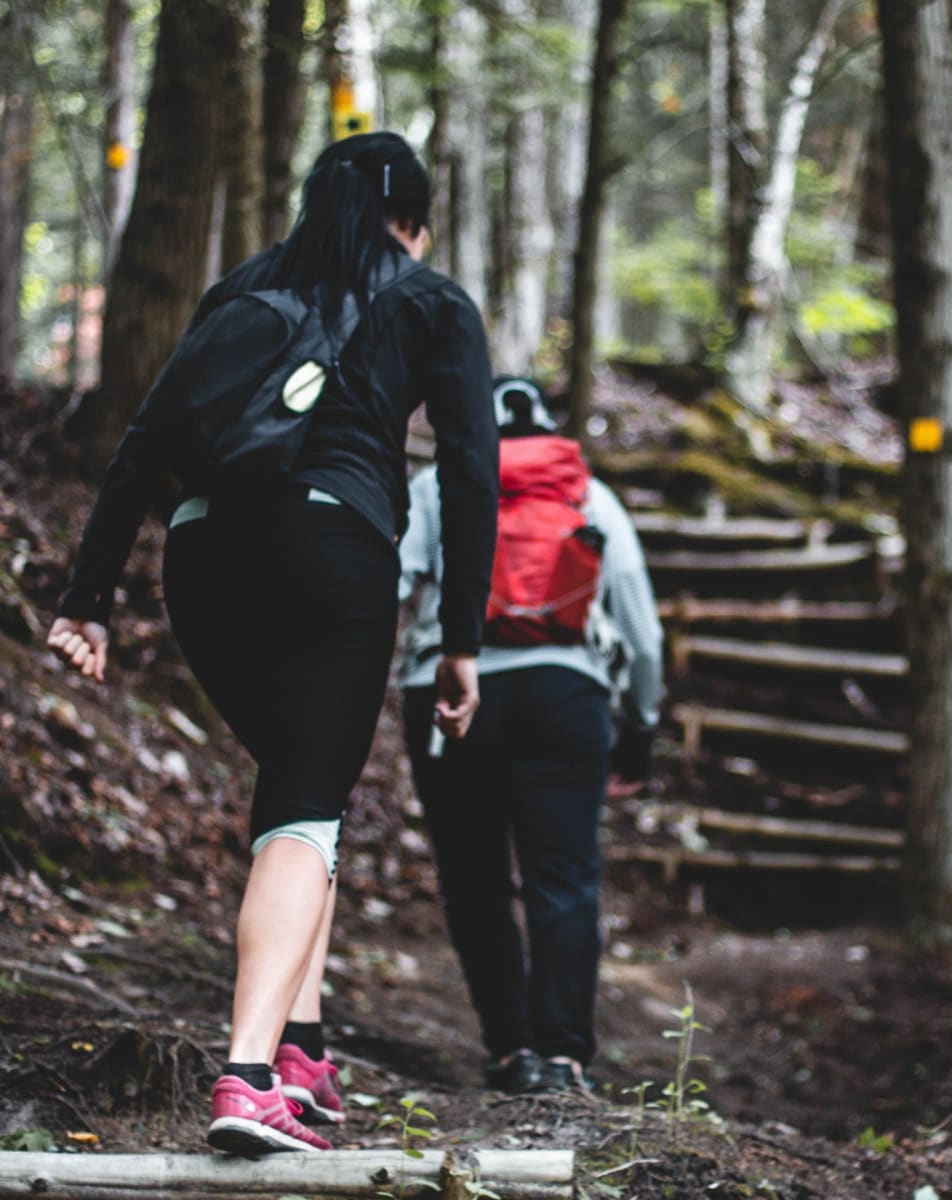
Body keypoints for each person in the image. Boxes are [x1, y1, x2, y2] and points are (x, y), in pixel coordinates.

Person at [46, 132, 498, 1152]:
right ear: (412, 219)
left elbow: (143, 443)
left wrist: (90, 599)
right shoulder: (429, 299)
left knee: (304, 796)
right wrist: (461, 636)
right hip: (333, 547)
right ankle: (249, 1078)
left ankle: (306, 1055)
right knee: (305, 806)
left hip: (203, 555)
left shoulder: (243, 290)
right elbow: (471, 473)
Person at [399, 376, 663, 1095]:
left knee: (474, 879)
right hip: (566, 692)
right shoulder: (586, 492)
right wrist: (640, 724)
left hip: (450, 690)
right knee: (566, 878)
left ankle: (510, 1049)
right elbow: (641, 632)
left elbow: (390, 583)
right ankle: (565, 1055)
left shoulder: (436, 485)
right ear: (545, 427)